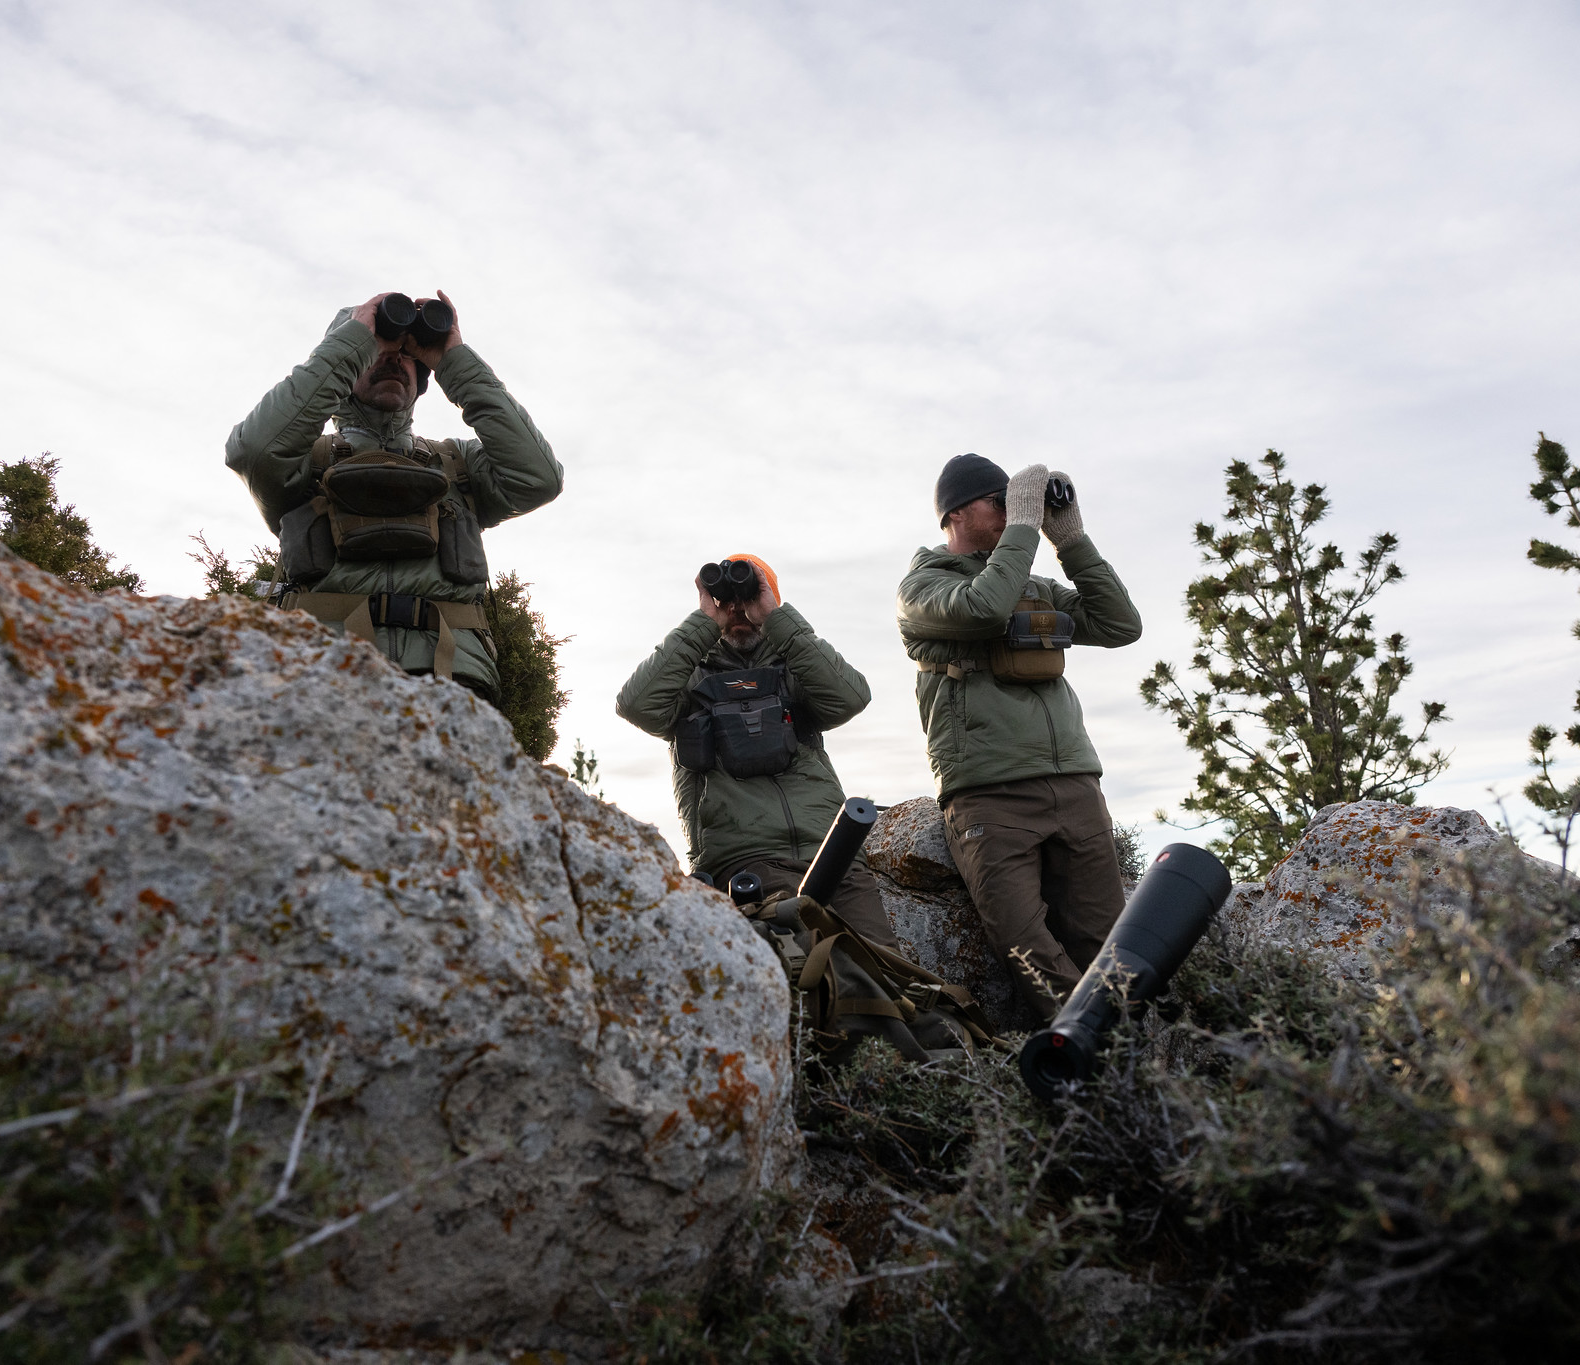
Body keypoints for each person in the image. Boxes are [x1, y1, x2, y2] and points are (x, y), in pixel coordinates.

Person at [895, 455, 1143, 1020]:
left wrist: (1072, 539)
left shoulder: (1034, 584)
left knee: (1105, 942)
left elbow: (1120, 625)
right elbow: (984, 607)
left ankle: (1123, 1059)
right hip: (990, 792)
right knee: (1026, 945)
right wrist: (1027, 529)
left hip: (1074, 785)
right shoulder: (923, 588)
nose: (1014, 513)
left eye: (1019, 503)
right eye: (1001, 502)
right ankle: (1085, 1049)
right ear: (956, 512)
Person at [225, 291, 562, 697]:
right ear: (347, 371)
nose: (392, 359)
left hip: (452, 678)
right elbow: (253, 450)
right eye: (379, 350)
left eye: (407, 355)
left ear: (423, 378)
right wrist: (356, 340)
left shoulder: (458, 463)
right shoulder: (303, 462)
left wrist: (453, 358)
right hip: (319, 676)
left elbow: (538, 477)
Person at [616, 556, 901, 950]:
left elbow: (851, 697)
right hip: (746, 862)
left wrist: (775, 618)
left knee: (890, 979)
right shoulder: (689, 680)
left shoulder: (795, 668)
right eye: (726, 599)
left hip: (835, 855)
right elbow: (636, 705)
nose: (737, 609)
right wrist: (704, 621)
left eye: (748, 595)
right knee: (804, 982)